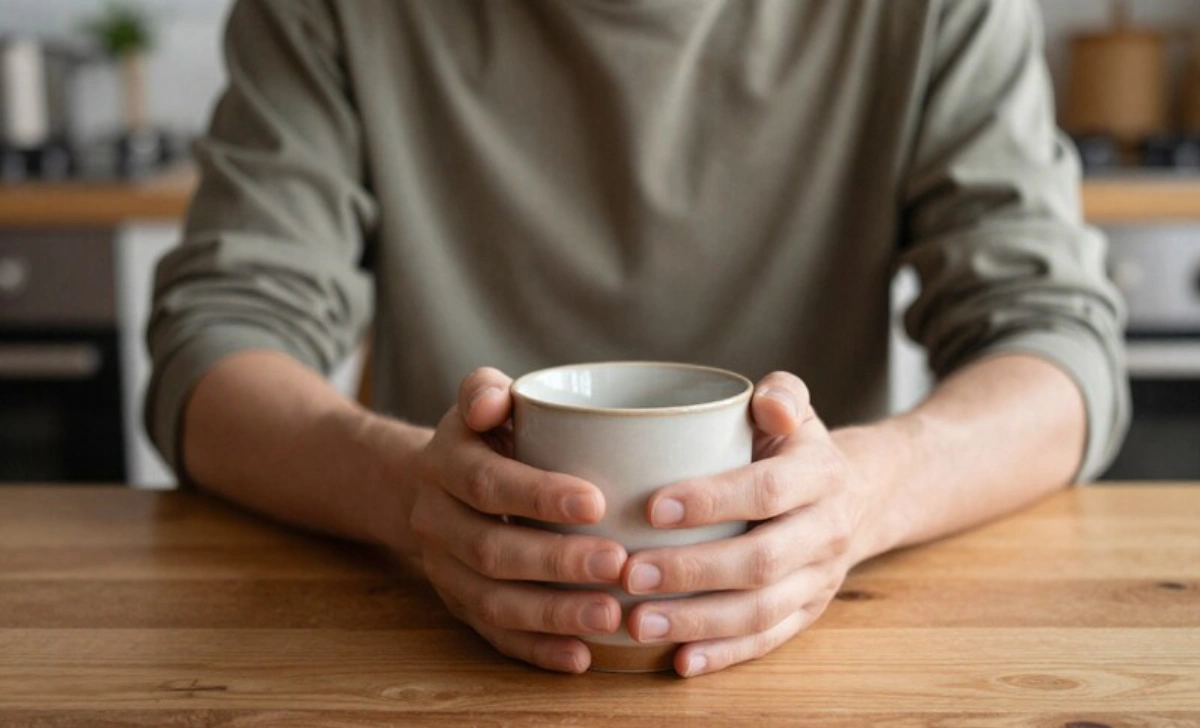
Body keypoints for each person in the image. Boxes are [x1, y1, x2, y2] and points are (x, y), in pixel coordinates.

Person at [146, 0, 1128, 677]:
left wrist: (861, 498)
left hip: (819, 660)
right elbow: (214, 344)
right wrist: (409, 492)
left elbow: (1058, 347)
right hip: (427, 648)